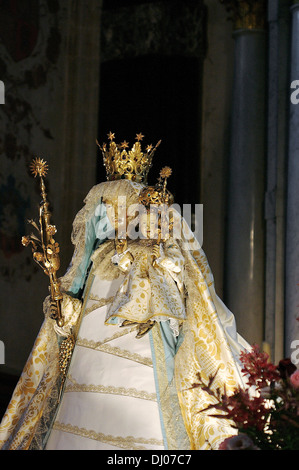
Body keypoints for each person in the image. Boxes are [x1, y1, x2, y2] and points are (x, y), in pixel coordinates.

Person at [0, 133, 251, 450]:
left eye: (125, 209)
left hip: (146, 338)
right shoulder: (98, 256)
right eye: (106, 211)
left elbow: (181, 288)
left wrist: (166, 273)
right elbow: (73, 289)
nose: (116, 218)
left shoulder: (157, 252)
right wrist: (61, 308)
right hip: (91, 338)